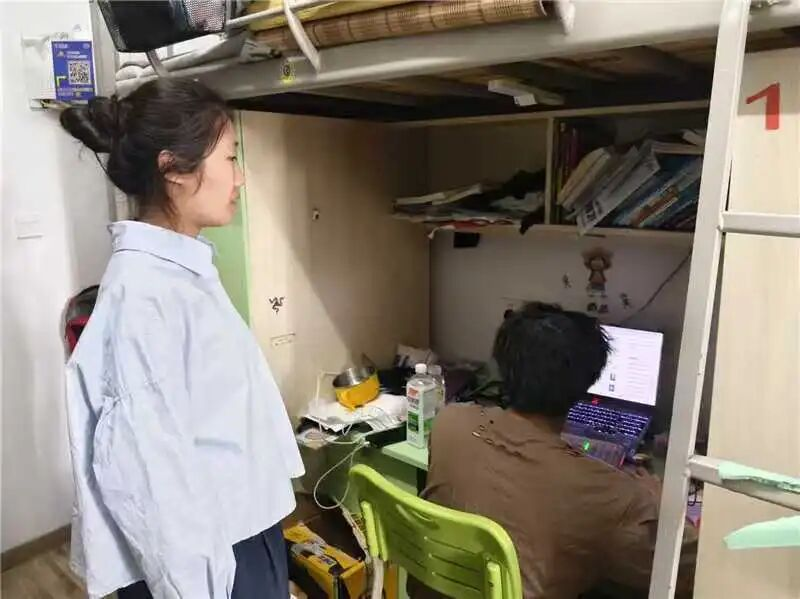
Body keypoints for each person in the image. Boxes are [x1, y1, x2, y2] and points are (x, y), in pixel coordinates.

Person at [61, 79, 304, 599]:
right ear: (173, 168)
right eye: (230, 158)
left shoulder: (180, 272)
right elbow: (149, 481)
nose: (240, 176)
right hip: (211, 558)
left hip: (236, 529)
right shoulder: (145, 296)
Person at [415, 303, 696, 599]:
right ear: (586, 384)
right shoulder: (608, 493)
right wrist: (663, 501)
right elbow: (689, 570)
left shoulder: (449, 422)